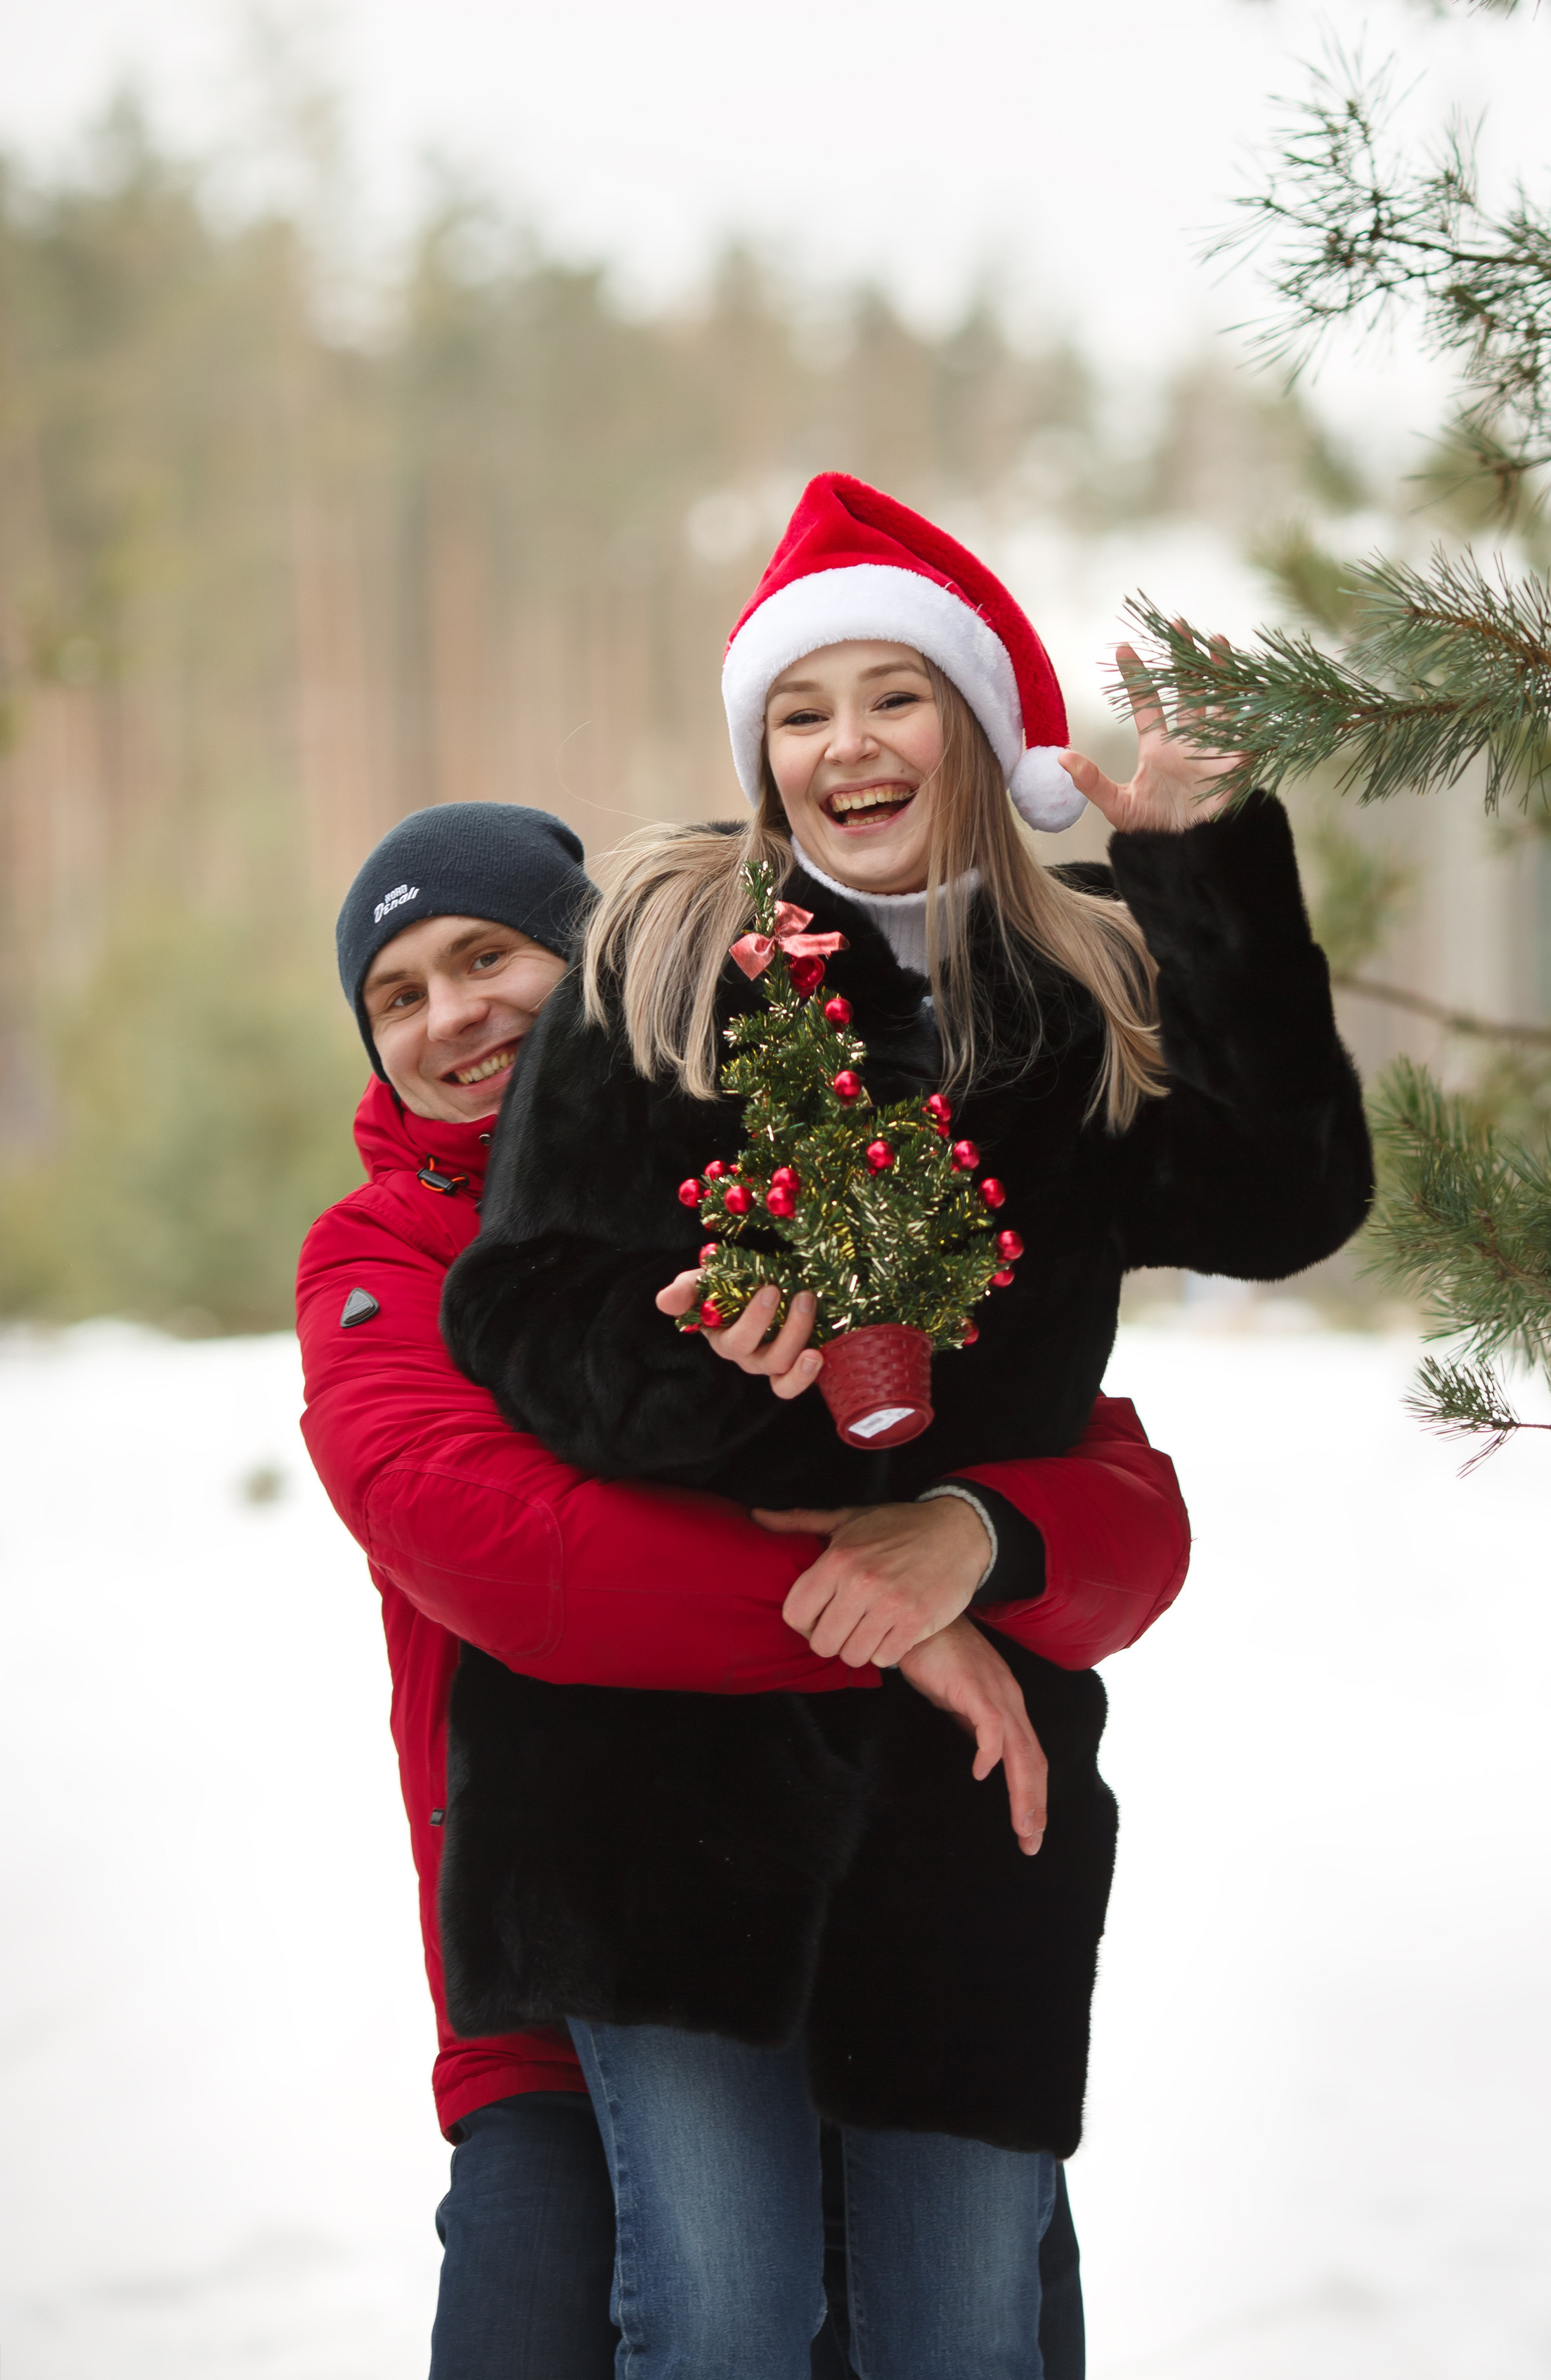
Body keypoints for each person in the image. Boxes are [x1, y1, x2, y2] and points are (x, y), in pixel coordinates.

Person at [440, 473, 1375, 2379]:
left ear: (970, 724)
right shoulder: (666, 954)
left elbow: (1285, 1212)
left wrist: (1218, 884)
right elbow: (519, 1308)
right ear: (762, 756)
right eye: (801, 709)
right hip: (658, 1787)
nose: (845, 743)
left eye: (893, 695)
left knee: (962, 2334)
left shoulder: (1093, 979)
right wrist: (723, 1366)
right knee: (721, 2320)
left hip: (973, 1793)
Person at [295, 797, 1196, 2379]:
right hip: (579, 1970)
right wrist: (890, 1626)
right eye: (398, 993)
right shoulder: (381, 1261)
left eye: (491, 955)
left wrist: (974, 1539)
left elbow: (1113, 1488)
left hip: (900, 1917)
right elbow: (508, 1554)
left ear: (597, 961)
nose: (453, 1015)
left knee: (964, 2325)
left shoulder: (807, 1170)